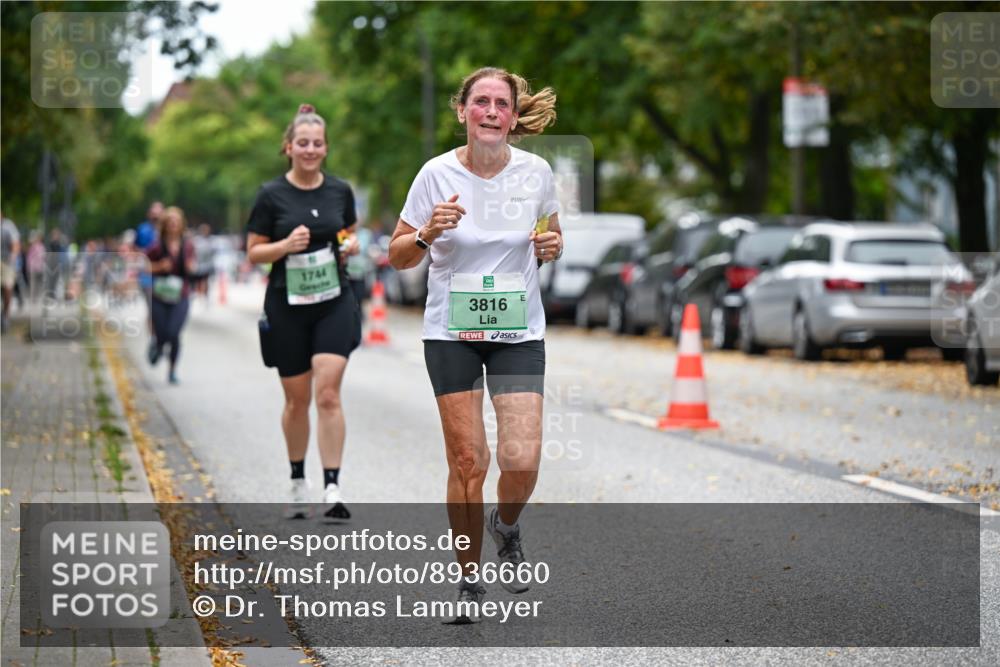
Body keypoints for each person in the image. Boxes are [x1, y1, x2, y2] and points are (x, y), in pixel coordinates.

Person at [388, 67, 562, 622]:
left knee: (522, 457)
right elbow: (397, 254)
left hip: (516, 331)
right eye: (480, 102)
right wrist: (425, 233)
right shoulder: (434, 175)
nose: (491, 111)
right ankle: (468, 581)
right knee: (469, 459)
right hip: (452, 333)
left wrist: (552, 245)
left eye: (501, 104)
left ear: (513, 116)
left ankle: (505, 526)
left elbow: (548, 237)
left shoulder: (537, 173)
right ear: (462, 110)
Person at [246, 103, 362, 521]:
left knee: (328, 392)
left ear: (326, 148)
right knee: (297, 401)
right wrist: (283, 247)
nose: (310, 150)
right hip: (287, 306)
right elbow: (254, 252)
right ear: (289, 147)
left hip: (334, 301)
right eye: (303, 143)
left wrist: (350, 245)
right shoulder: (271, 195)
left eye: (317, 144)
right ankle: (298, 481)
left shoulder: (340, 191)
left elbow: (349, 232)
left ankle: (333, 486)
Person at [145, 206, 196, 385]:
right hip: (160, 295)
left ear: (182, 225)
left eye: (177, 222)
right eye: (170, 222)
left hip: (180, 295)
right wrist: (159, 266)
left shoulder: (188, 246)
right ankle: (157, 345)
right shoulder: (156, 247)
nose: (174, 225)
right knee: (162, 332)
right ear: (165, 225)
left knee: (174, 332)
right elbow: (143, 266)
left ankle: (172, 370)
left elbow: (192, 267)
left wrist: (191, 268)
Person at [1, 212, 21, 333]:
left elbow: (15, 244)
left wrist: (13, 257)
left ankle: (5, 316)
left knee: (7, 287)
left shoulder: (8, 226)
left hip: (6, 261)